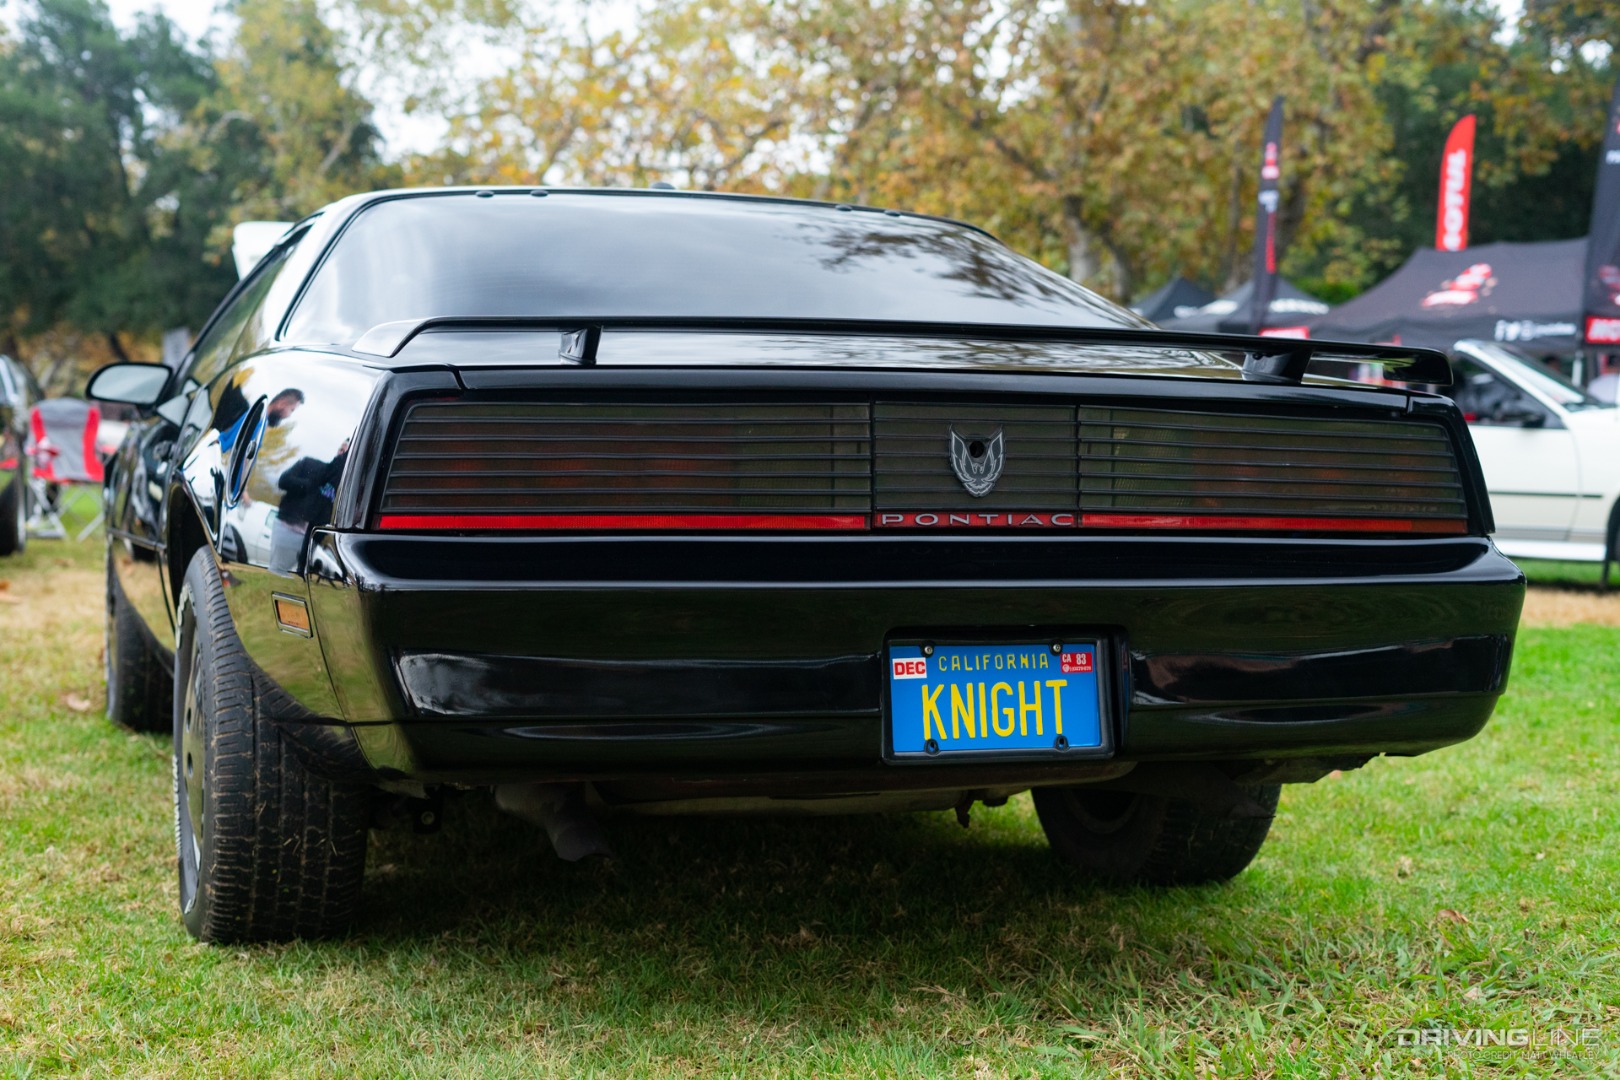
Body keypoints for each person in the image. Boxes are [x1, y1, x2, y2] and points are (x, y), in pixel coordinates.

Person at [268, 437, 349, 574]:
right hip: (288, 527)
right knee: (278, 571)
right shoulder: (310, 465)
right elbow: (283, 480)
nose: (342, 454)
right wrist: (308, 486)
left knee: (295, 578)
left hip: (312, 540)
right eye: (341, 449)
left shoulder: (345, 489)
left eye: (346, 453)